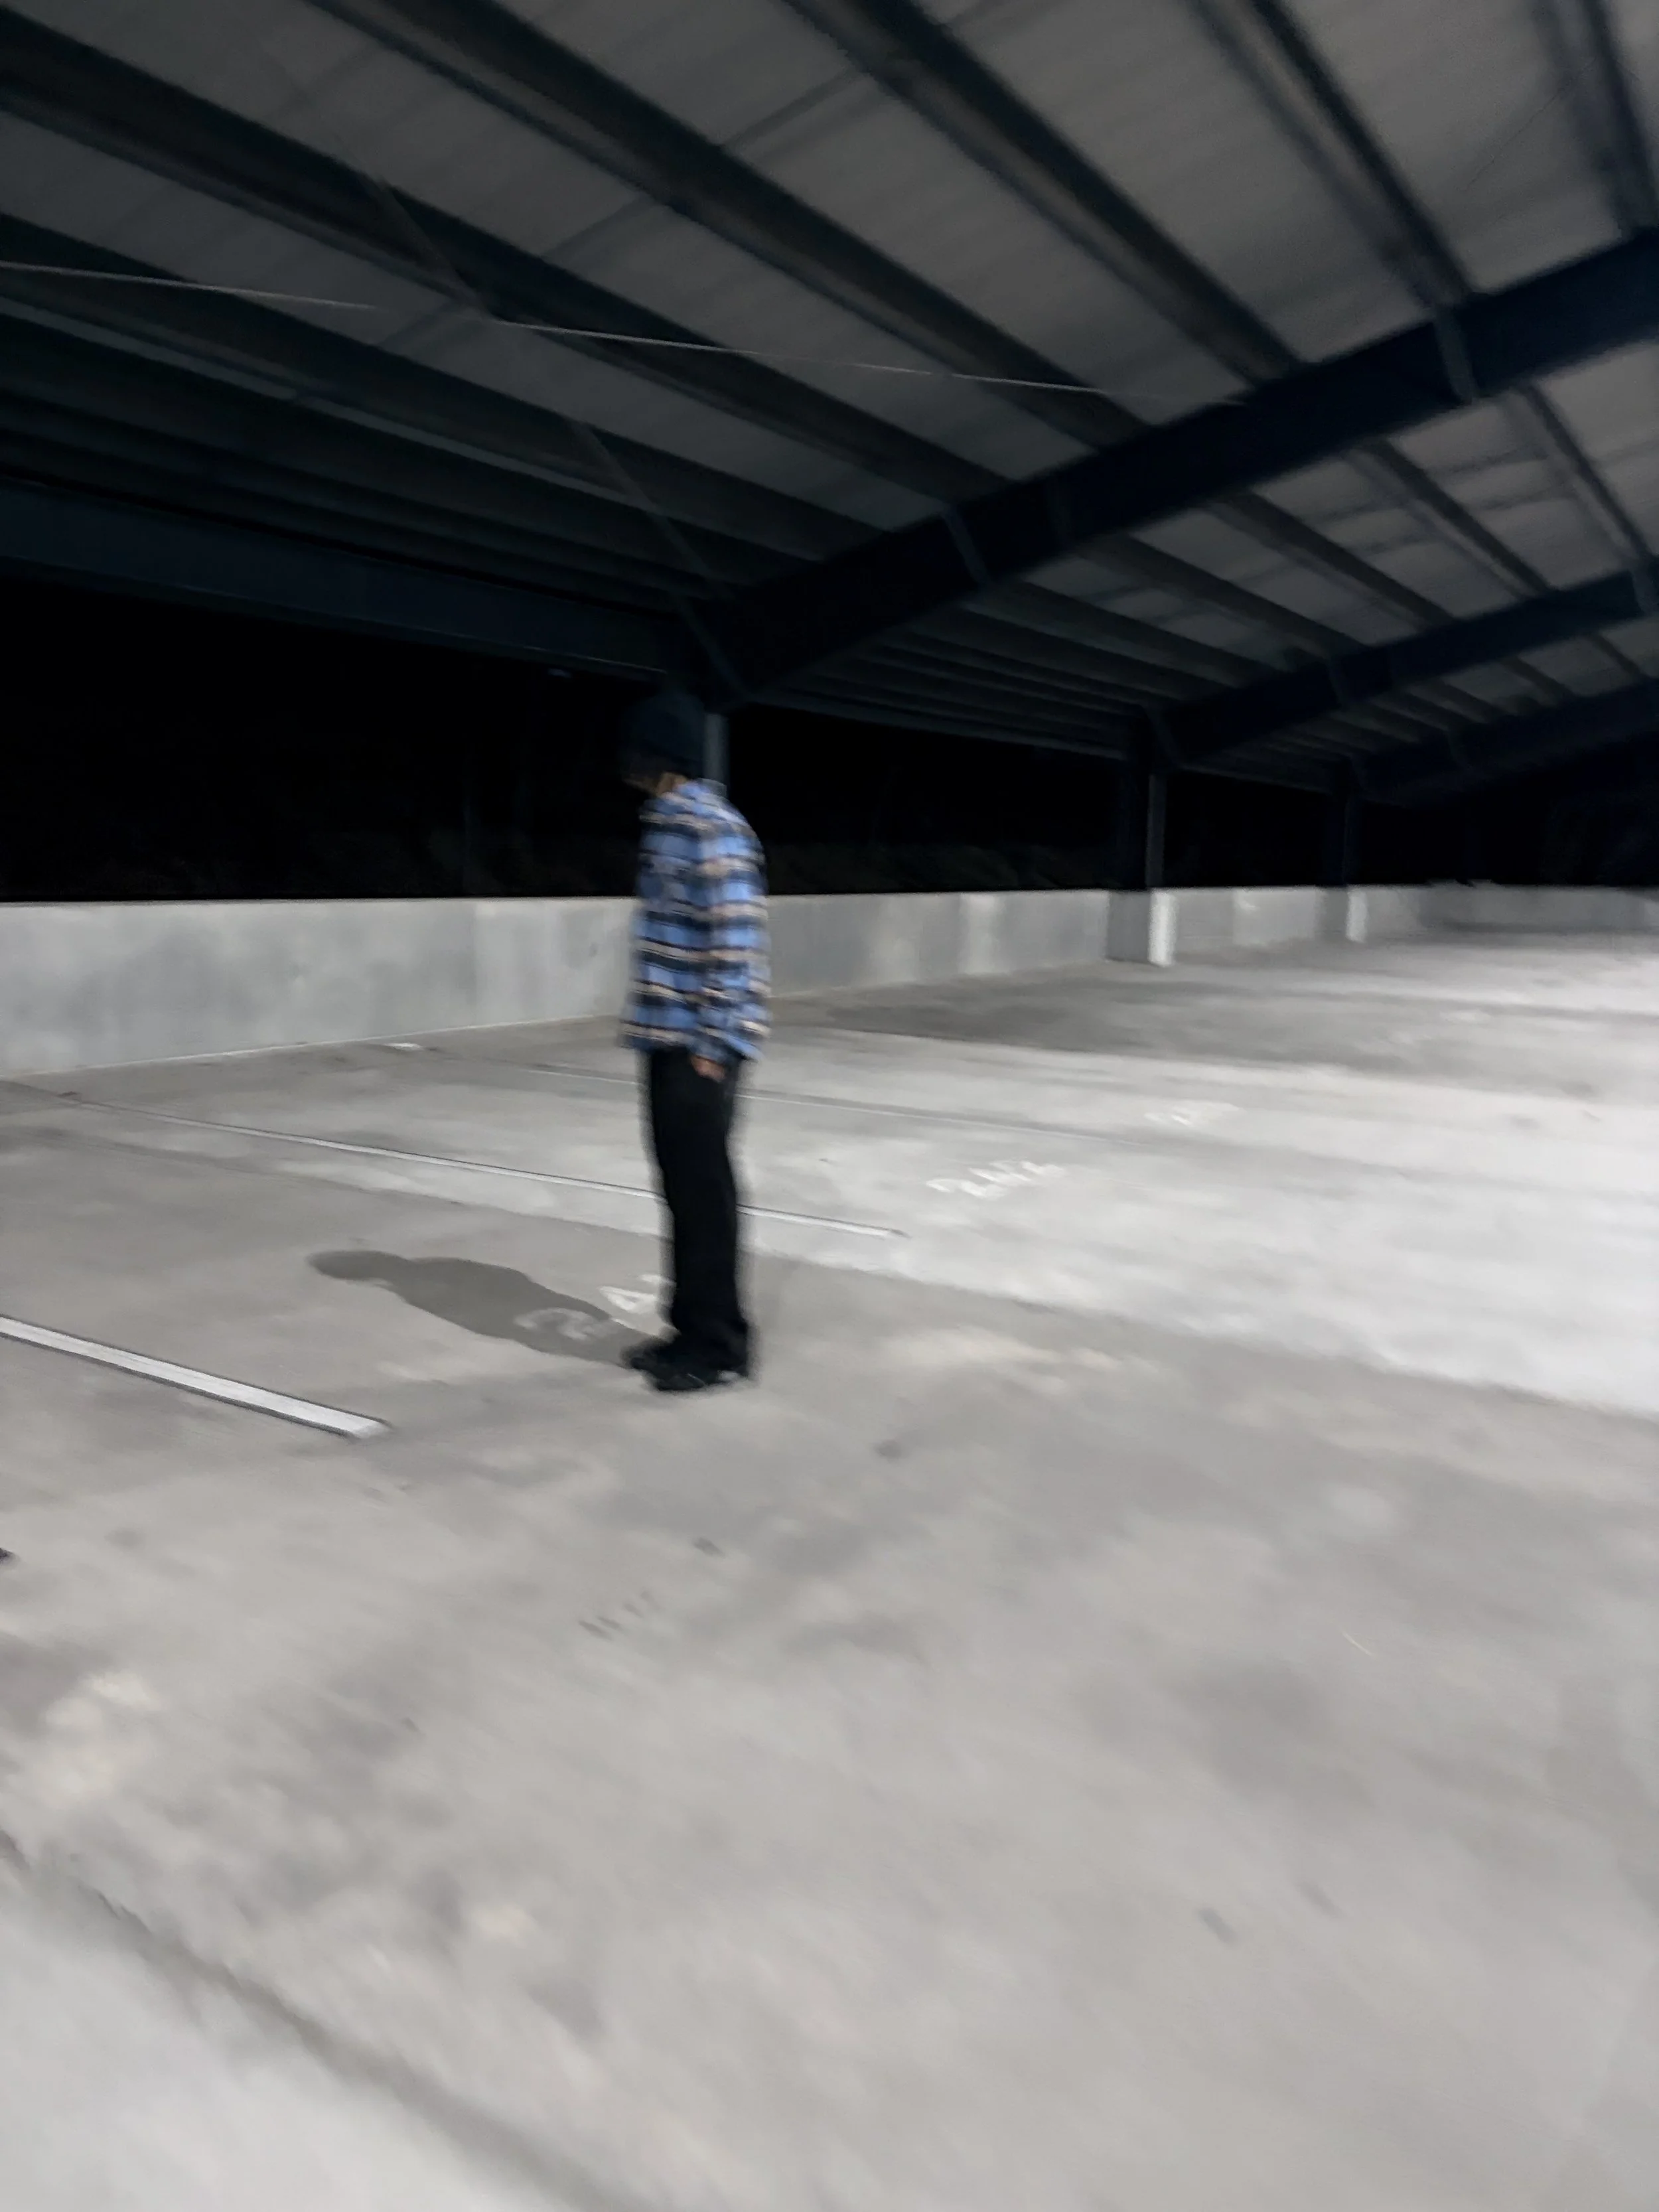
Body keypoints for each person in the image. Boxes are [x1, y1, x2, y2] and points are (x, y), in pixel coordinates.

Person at [617, 688, 769, 1392]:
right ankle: (687, 1330)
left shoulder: (708, 827)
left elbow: (735, 942)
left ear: (655, 757)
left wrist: (713, 1043)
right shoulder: (667, 825)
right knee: (680, 1191)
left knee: (704, 1196)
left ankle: (719, 1347)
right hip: (665, 1036)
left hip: (698, 1044)